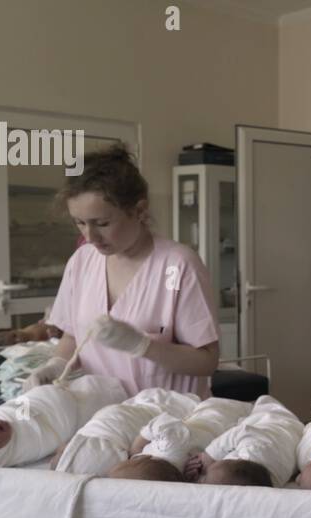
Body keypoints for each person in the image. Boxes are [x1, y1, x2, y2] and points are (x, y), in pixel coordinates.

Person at [22, 144, 220, 398]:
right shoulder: (82, 262)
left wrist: (143, 346)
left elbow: (206, 361)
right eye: (80, 223)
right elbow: (73, 337)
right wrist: (55, 366)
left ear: (139, 211)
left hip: (167, 421)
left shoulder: (179, 265)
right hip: (104, 418)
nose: (90, 236)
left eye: (102, 223)